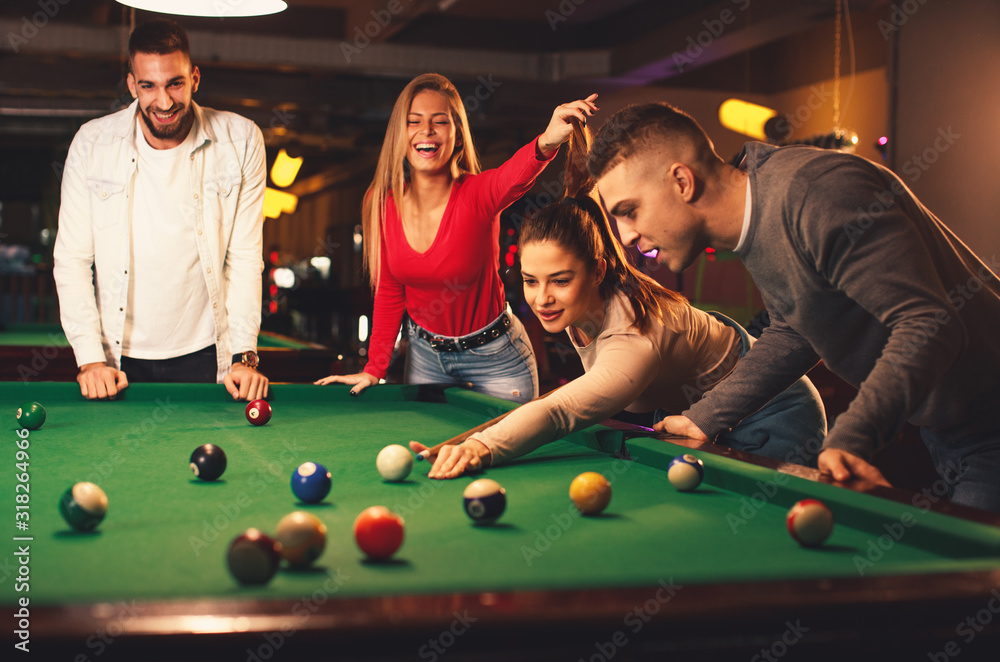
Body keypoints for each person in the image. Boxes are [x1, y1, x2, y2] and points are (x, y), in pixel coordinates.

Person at [588, 102, 1000, 512]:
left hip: (989, 421)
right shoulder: (758, 216)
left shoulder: (815, 193)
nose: (624, 236)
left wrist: (852, 436)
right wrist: (705, 417)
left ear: (681, 181)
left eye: (629, 211)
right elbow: (797, 329)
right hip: (950, 426)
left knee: (972, 577)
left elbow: (929, 323)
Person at [410, 123, 826, 479]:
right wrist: (468, 441)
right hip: (708, 414)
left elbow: (558, 412)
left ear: (598, 270)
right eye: (530, 281)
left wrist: (483, 448)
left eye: (559, 280)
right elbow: (585, 201)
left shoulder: (633, 337)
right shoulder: (585, 294)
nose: (542, 299)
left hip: (773, 414)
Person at [316, 73, 598, 404]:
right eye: (414, 121)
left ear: (458, 136)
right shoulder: (380, 202)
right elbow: (390, 290)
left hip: (496, 358)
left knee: (503, 454)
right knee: (427, 454)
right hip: (426, 359)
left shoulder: (477, 194)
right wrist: (374, 369)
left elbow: (514, 176)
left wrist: (547, 141)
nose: (426, 131)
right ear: (399, 135)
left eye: (440, 122)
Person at [53, 18, 269, 402]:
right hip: (115, 361)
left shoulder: (242, 140)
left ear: (195, 78)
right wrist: (89, 359)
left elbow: (245, 258)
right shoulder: (92, 143)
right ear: (132, 84)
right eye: (149, 86)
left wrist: (244, 356)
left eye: (175, 83)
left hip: (205, 354)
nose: (164, 102)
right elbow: (71, 259)